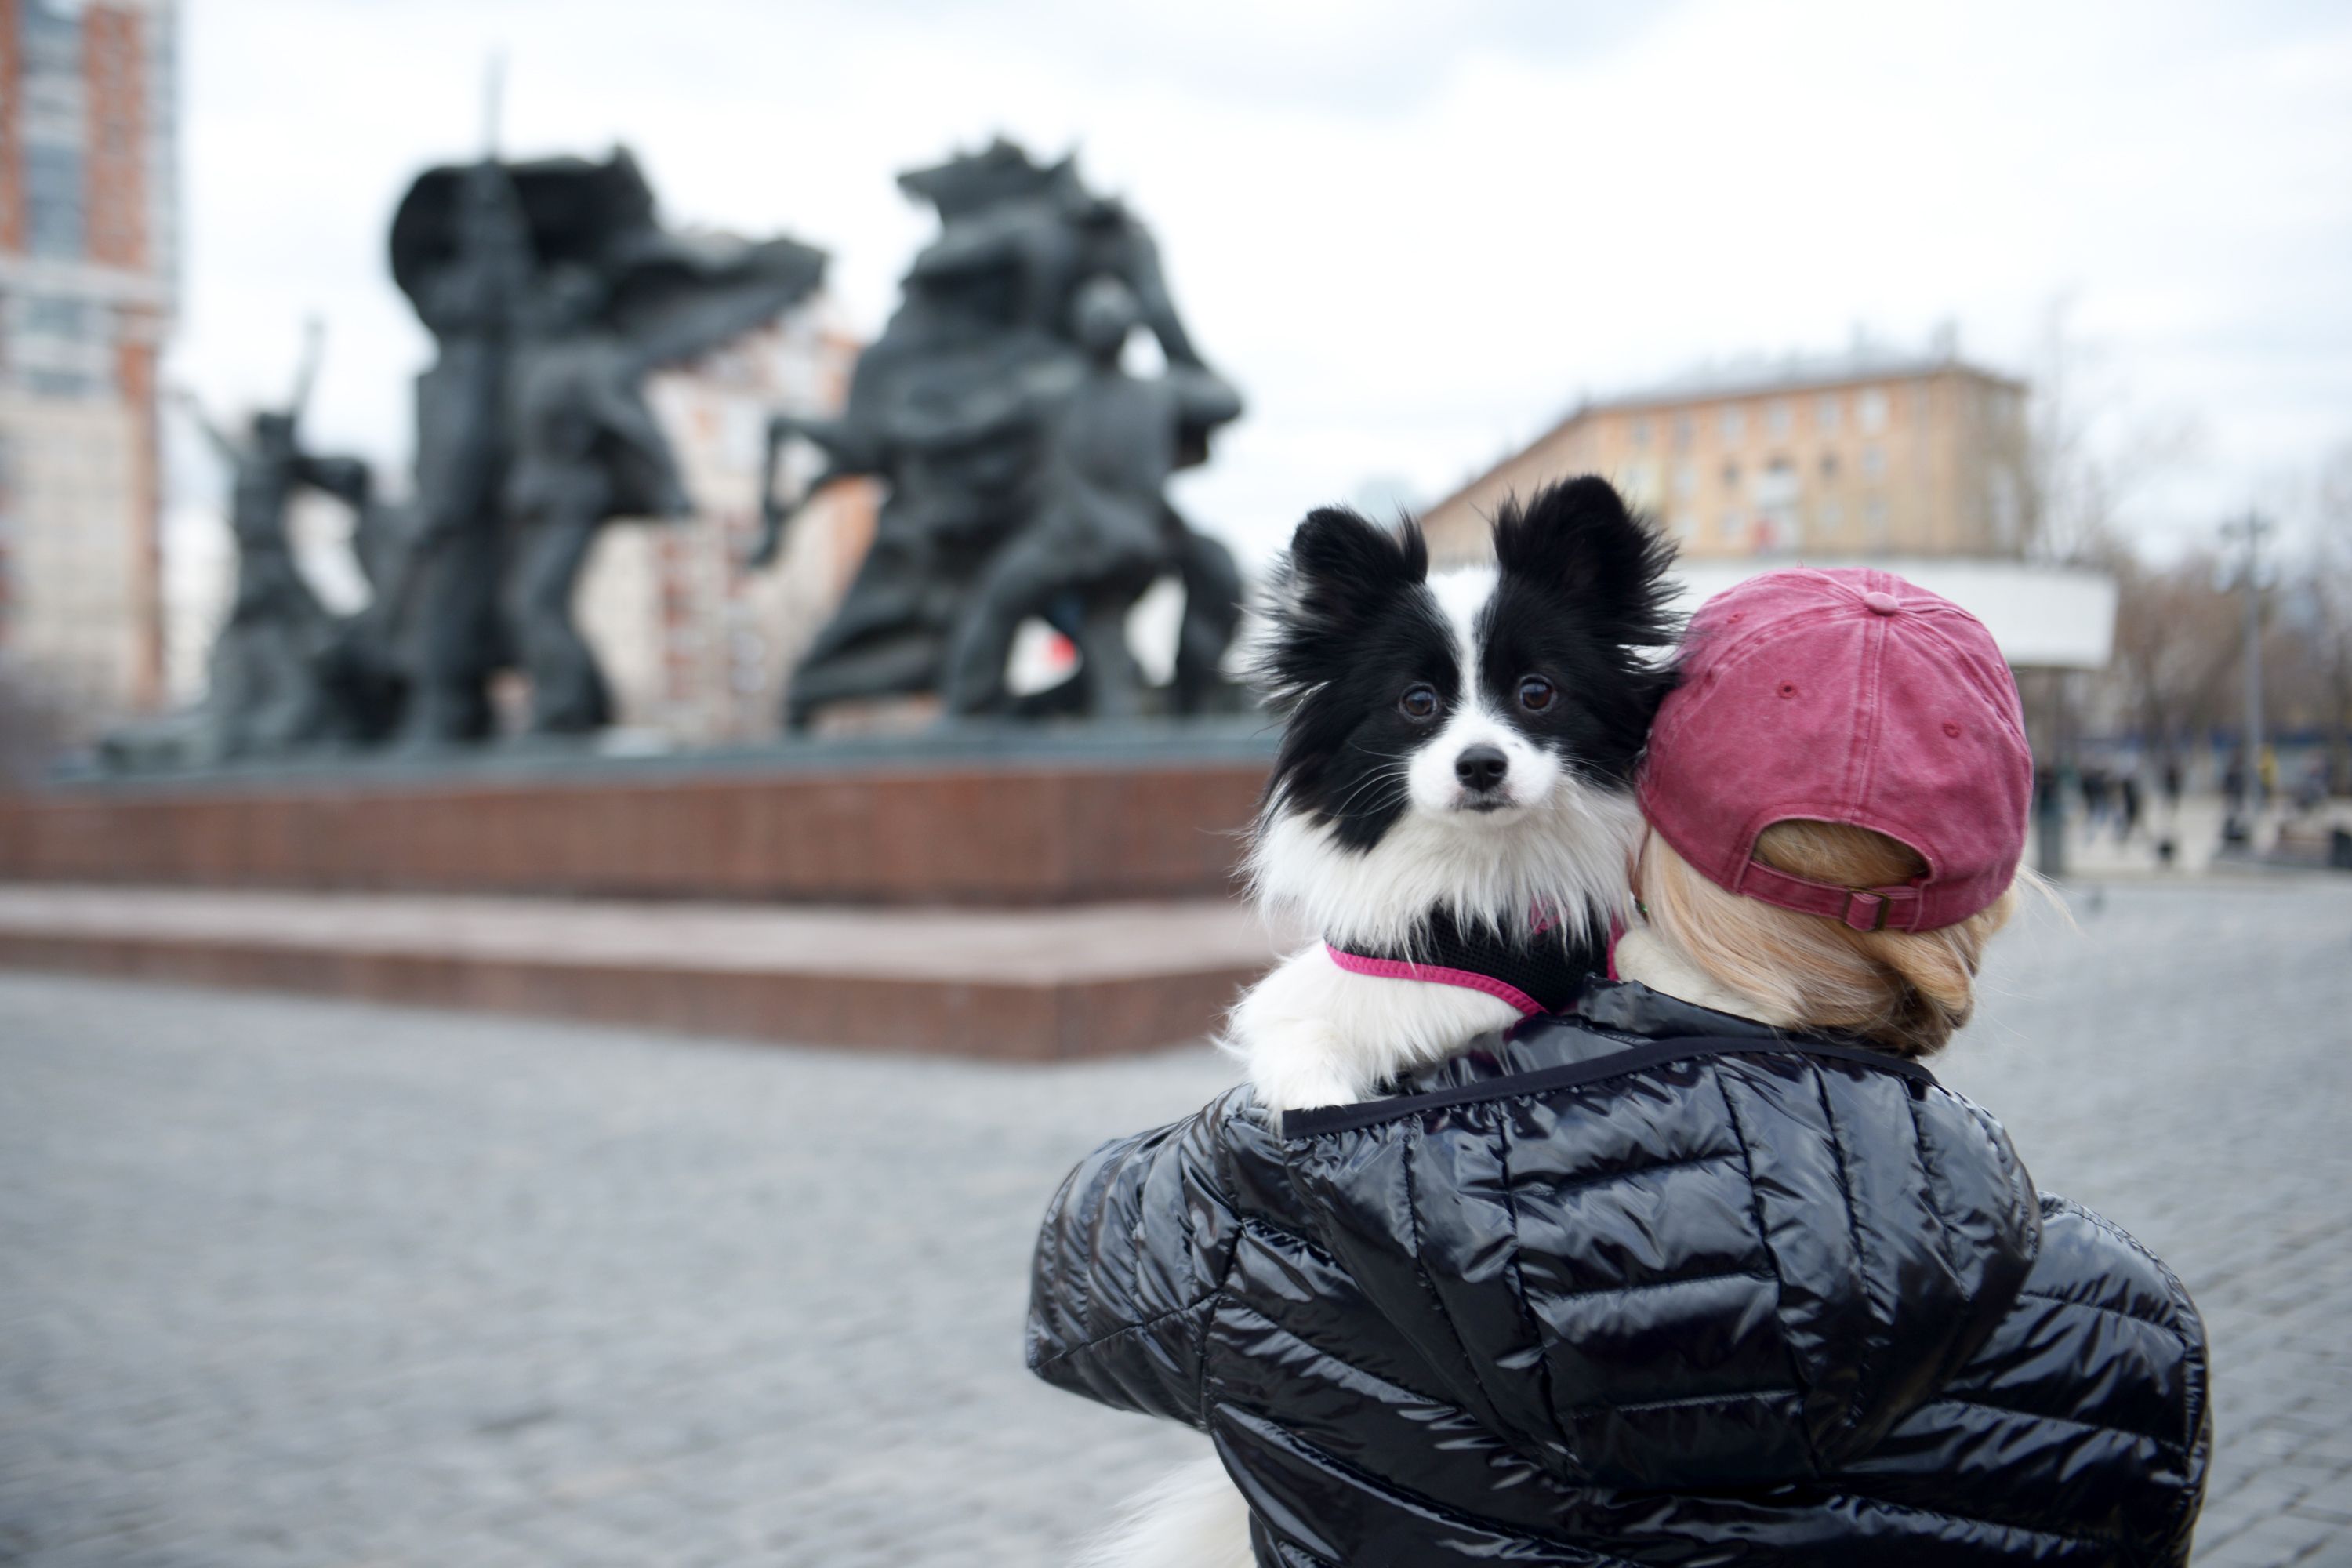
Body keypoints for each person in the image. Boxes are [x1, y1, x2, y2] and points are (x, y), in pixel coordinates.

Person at [1028, 568, 2209, 1566]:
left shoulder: (1289, 1200)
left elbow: (1075, 1290)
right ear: (1984, 900)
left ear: (1648, 820)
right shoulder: (2131, 1339)